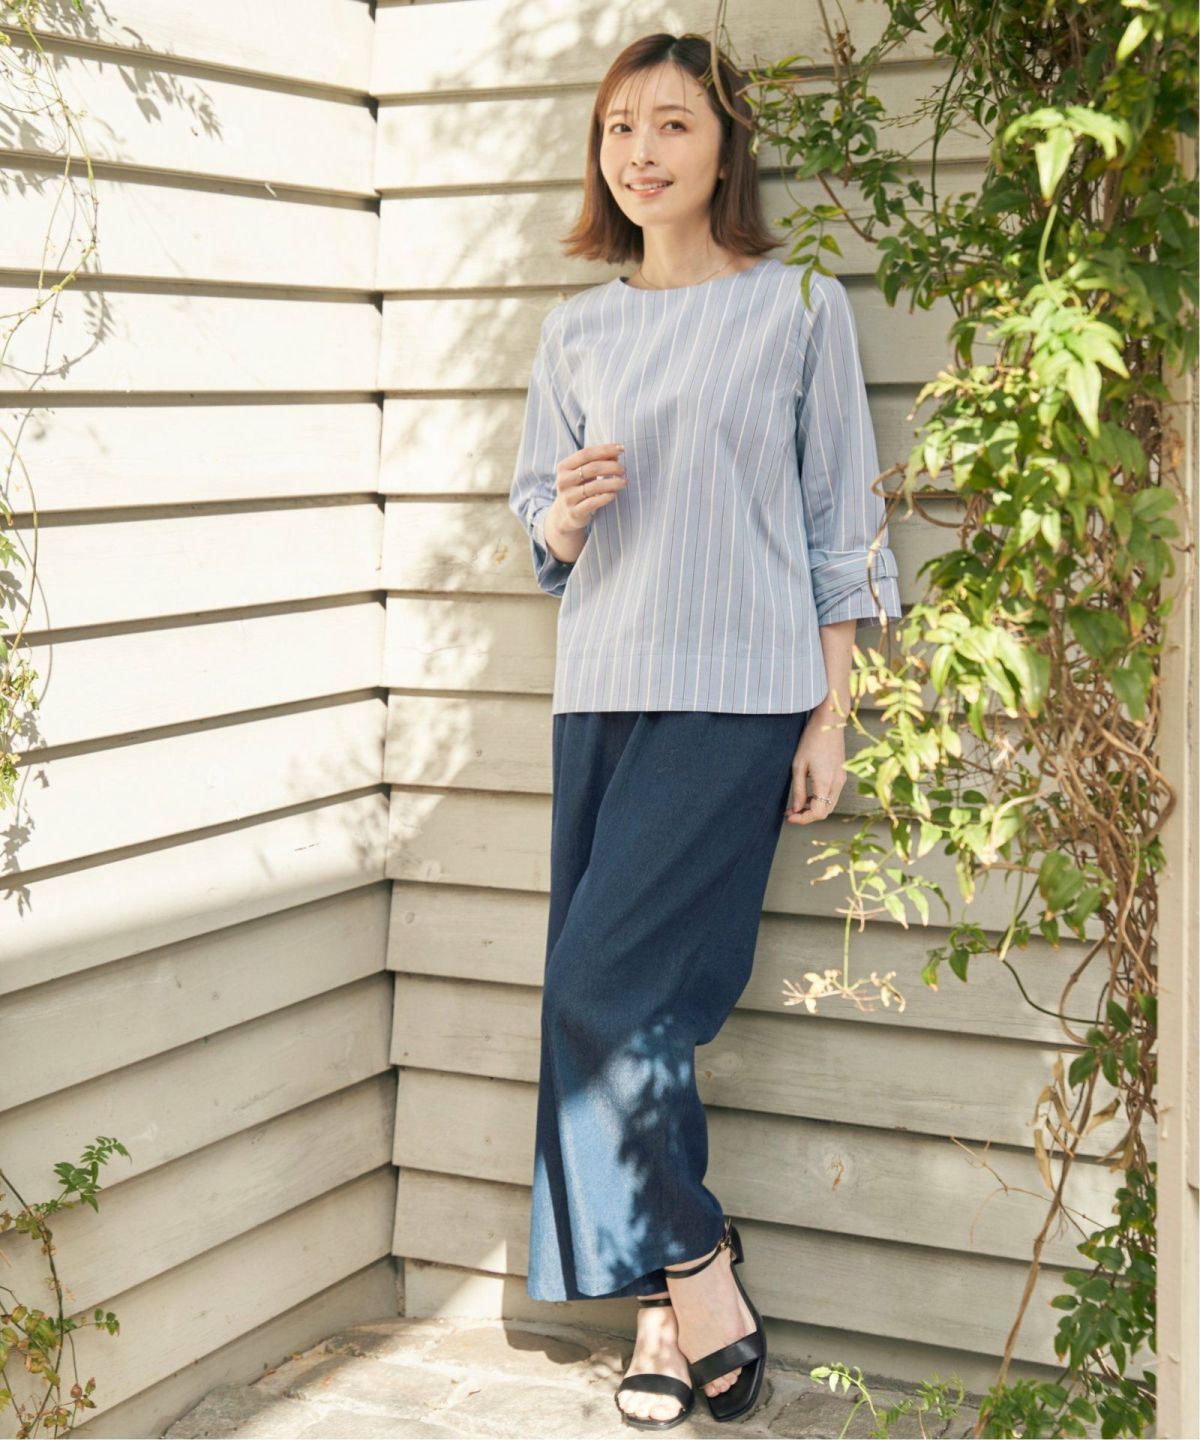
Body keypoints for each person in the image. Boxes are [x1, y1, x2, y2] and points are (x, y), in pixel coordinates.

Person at [507, 30, 902, 1430]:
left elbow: (840, 518)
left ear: (725, 145)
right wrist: (565, 515)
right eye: (621, 127)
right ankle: (673, 1311)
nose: (643, 151)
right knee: (643, 1013)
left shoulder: (798, 305)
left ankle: (687, 1253)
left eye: (673, 123)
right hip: (603, 688)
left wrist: (831, 715)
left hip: (740, 695)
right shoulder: (578, 330)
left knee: (595, 990)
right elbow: (536, 524)